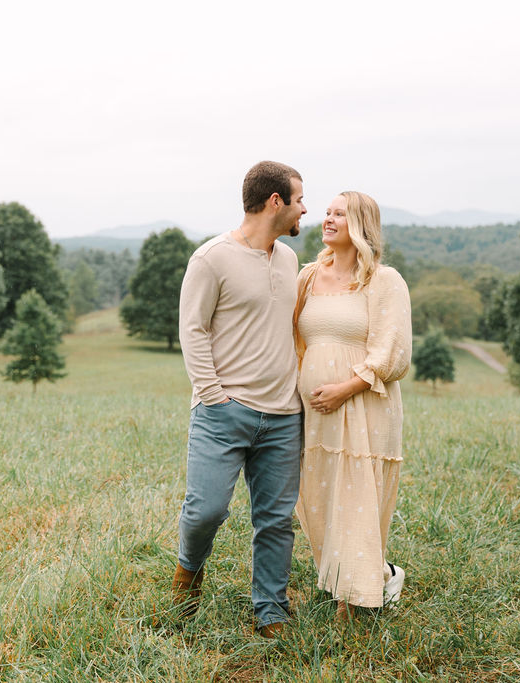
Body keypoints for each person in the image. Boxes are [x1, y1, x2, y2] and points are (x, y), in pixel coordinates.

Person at [173, 160, 306, 638]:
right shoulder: (211, 258)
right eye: (298, 199)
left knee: (275, 520)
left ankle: (270, 609)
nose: (304, 209)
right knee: (205, 509)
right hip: (222, 412)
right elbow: (193, 328)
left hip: (284, 416)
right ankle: (188, 576)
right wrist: (213, 396)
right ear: (276, 202)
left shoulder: (289, 260)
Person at [293, 190, 412, 620]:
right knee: (320, 496)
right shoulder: (307, 276)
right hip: (313, 411)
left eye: (338, 214)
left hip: (364, 404)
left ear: (360, 225)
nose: (327, 219)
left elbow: (394, 353)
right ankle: (376, 573)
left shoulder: (384, 281)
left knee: (356, 493)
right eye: (325, 212)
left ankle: (352, 603)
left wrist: (344, 387)